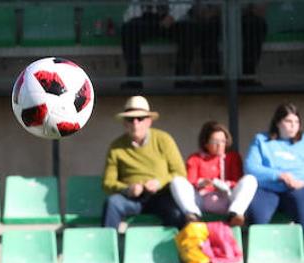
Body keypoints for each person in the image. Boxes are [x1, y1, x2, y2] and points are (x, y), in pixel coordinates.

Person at [102, 95, 197, 230]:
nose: (135, 123)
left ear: (149, 121)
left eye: (140, 118)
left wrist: (159, 182)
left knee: (176, 213)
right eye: (130, 119)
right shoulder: (116, 146)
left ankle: (177, 249)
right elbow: (107, 183)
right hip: (131, 199)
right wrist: (127, 189)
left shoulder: (164, 139)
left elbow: (180, 173)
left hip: (161, 196)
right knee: (112, 203)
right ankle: (106, 247)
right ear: (124, 122)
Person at [171, 120, 257, 226]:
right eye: (214, 141)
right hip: (202, 199)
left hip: (226, 198)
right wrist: (202, 183)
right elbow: (191, 182)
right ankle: (193, 215)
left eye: (222, 141)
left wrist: (224, 184)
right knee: (177, 181)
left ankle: (235, 214)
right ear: (206, 143)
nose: (219, 145)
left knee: (250, 179)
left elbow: (237, 181)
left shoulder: (232, 157)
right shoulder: (195, 158)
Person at [245, 102, 304, 225]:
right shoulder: (261, 140)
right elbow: (250, 168)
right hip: (267, 189)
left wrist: (301, 183)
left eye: (297, 122)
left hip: (298, 188)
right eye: (288, 121)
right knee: (256, 216)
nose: (293, 126)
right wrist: (279, 175)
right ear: (277, 122)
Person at [120, 1, 194, 86]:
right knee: (128, 30)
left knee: (189, 30)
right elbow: (133, 8)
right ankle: (134, 81)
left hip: (172, 17)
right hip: (147, 18)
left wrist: (172, 16)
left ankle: (182, 79)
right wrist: (130, 19)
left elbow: (186, 3)